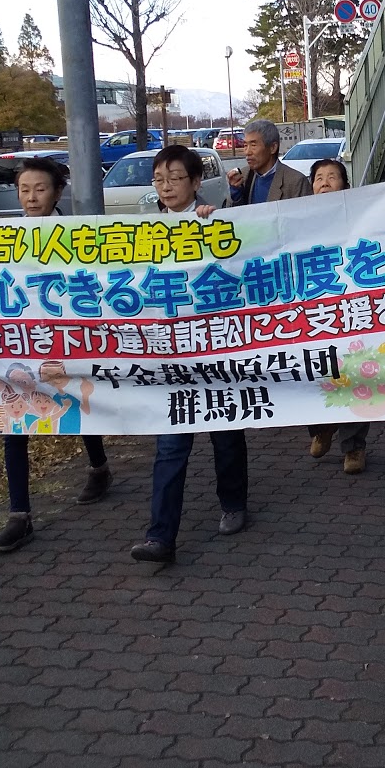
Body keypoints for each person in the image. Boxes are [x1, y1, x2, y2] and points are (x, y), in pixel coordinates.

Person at [0, 157, 112, 553]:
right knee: (15, 421)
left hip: (65, 338)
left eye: (40, 189)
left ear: (57, 192)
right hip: (18, 342)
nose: (31, 197)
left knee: (72, 403)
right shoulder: (2, 232)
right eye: (24, 189)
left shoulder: (76, 233)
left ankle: (99, 466)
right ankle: (20, 515)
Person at [131, 145, 250, 563]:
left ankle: (233, 503)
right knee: (169, 448)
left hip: (215, 350)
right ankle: (160, 536)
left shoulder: (217, 221)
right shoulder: (141, 231)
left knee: (226, 435)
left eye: (175, 178)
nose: (166, 186)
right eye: (159, 179)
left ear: (197, 182)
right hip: (170, 359)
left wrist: (216, 221)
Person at [306, 157, 370, 475]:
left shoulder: (359, 216)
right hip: (311, 311)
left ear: (345, 184)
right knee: (316, 371)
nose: (325, 182)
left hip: (350, 308)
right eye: (319, 177)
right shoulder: (296, 219)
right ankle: (322, 428)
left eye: (333, 176)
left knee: (354, 373)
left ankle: (354, 446)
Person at [225, 119, 311, 204]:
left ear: (273, 147)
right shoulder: (242, 177)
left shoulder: (296, 182)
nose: (247, 152)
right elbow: (231, 215)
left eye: (253, 145)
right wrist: (235, 194)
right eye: (245, 145)